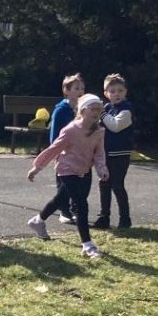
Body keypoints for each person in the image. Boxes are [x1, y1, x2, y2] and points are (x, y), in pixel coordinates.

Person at [26, 93, 108, 257]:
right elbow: (54, 149)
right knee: (81, 205)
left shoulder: (99, 131)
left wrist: (102, 169)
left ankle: (37, 221)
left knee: (61, 199)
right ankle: (87, 245)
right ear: (82, 111)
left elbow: (99, 153)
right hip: (67, 170)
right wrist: (37, 167)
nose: (96, 112)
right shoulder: (71, 130)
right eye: (92, 109)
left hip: (84, 170)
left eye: (99, 110)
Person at [94, 72, 135, 231]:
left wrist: (102, 114)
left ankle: (125, 219)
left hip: (120, 155)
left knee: (117, 185)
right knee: (104, 184)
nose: (116, 94)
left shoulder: (126, 110)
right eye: (112, 91)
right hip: (105, 154)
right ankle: (104, 217)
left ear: (125, 92)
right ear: (106, 94)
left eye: (120, 91)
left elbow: (115, 126)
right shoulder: (107, 108)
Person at [48, 72, 85, 223]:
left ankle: (76, 209)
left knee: (78, 184)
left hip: (79, 153)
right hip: (63, 153)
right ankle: (64, 212)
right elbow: (55, 134)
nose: (80, 91)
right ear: (66, 91)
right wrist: (56, 151)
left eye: (82, 88)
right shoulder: (61, 110)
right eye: (76, 88)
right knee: (64, 183)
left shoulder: (83, 110)